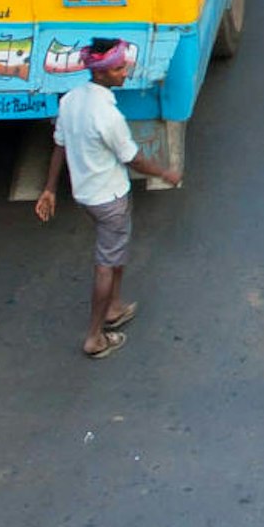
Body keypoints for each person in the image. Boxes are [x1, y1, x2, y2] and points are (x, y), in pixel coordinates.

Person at [38, 40, 172, 358]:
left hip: (85, 195)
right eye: (118, 68)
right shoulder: (108, 116)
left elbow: (60, 144)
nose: (125, 73)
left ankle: (114, 306)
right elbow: (134, 159)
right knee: (105, 264)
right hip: (110, 198)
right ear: (100, 73)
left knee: (115, 252)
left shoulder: (70, 100)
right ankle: (95, 337)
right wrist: (166, 174)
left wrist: (49, 188)